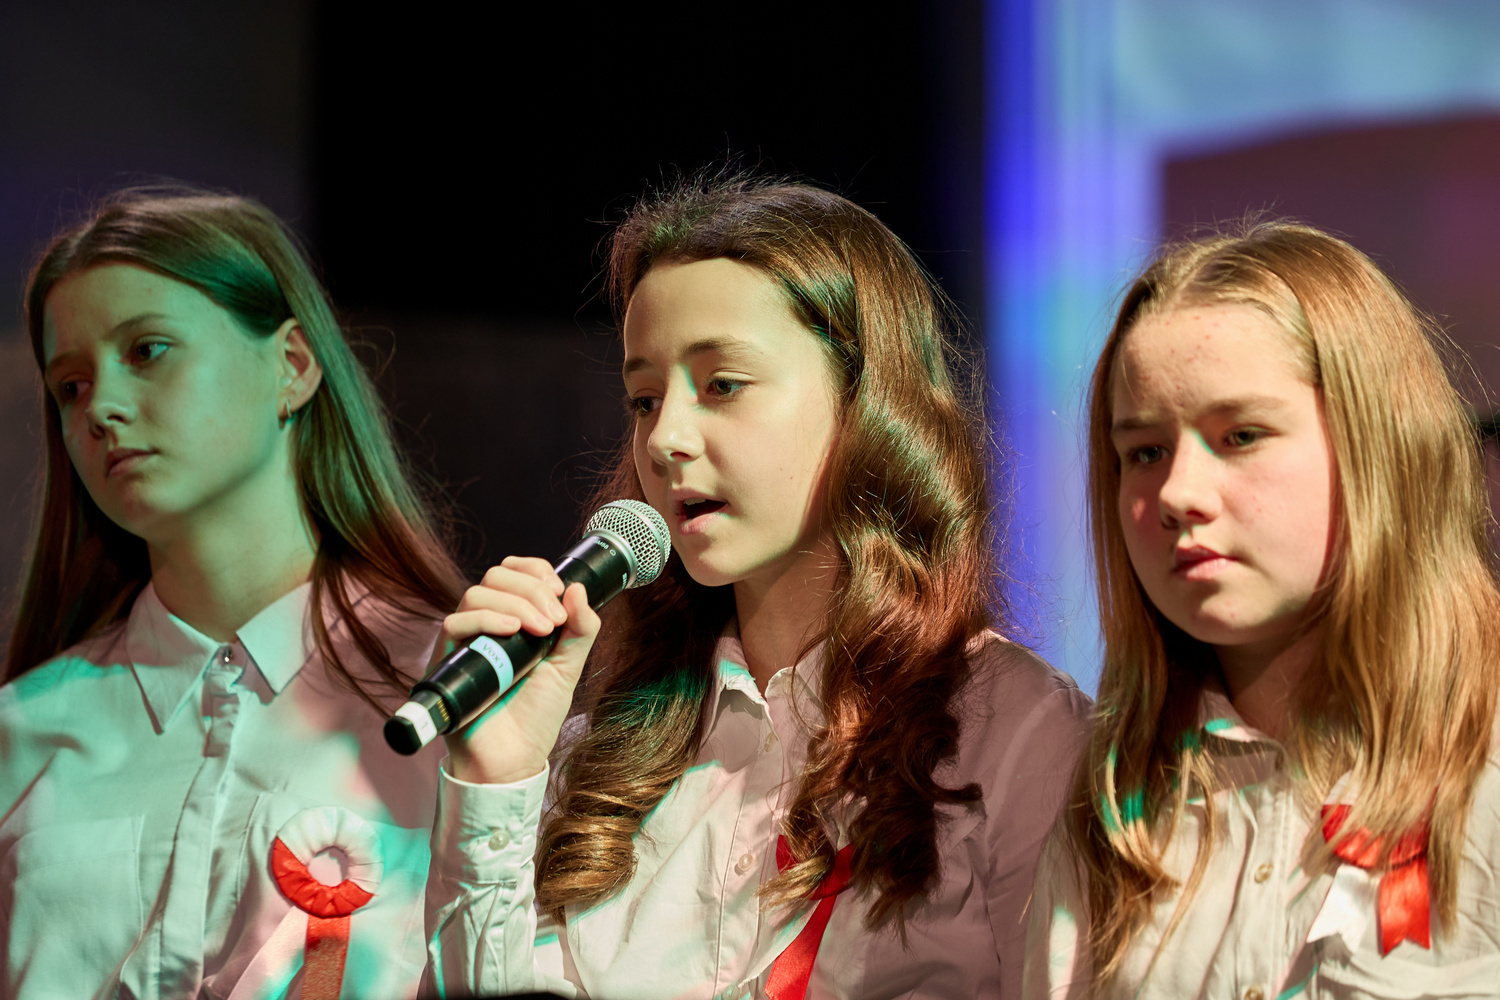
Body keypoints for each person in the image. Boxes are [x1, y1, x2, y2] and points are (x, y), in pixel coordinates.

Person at [421, 176, 1092, 1000]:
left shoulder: (1019, 732)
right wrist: (496, 783)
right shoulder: (597, 765)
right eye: (644, 398)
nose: (665, 439)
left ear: (867, 404)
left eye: (723, 385)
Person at [0, 187, 466, 999]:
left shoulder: (459, 683)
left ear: (292, 365)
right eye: (70, 385)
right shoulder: (20, 730)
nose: (101, 407)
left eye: (148, 350)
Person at [1023, 222, 1500, 998]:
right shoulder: (1108, 811)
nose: (1178, 494)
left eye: (1240, 435)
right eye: (1144, 452)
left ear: (1377, 446)